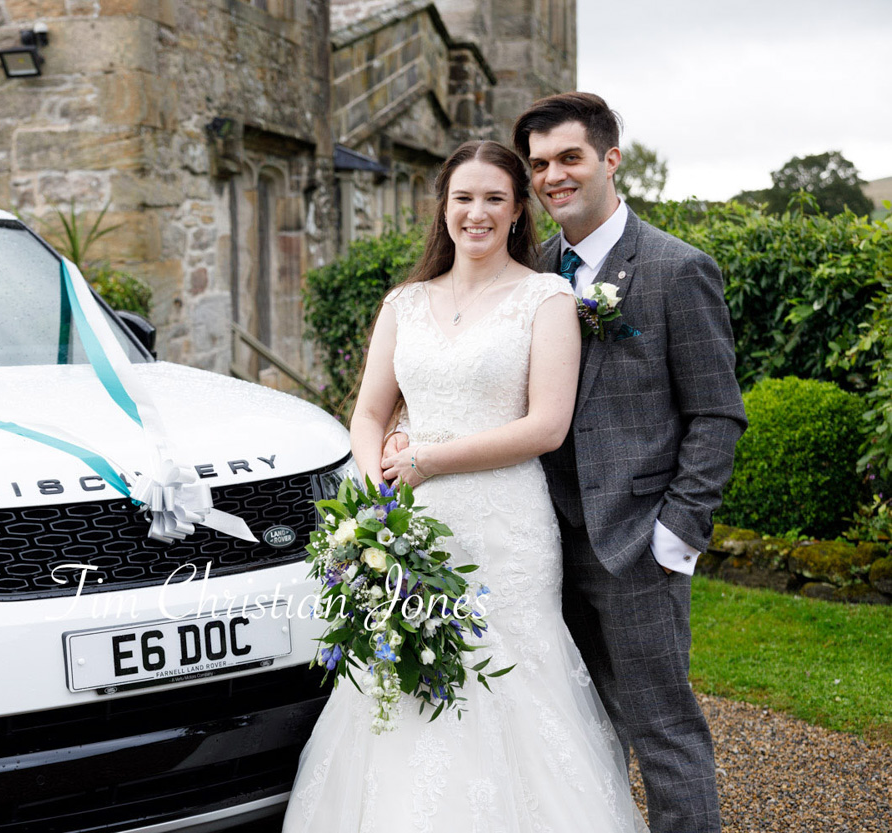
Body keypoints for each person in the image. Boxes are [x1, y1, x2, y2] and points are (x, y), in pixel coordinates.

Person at [281, 140, 648, 832]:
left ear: (516, 213)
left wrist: (430, 459)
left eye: (494, 200)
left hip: (503, 526)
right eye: (463, 198)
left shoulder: (546, 298)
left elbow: (546, 425)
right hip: (410, 523)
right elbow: (367, 412)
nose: (475, 213)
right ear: (443, 207)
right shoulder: (405, 302)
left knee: (505, 678)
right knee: (401, 683)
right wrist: (377, 492)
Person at [509, 92, 747, 833]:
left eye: (569, 157)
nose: (552, 176)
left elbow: (717, 414)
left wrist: (674, 536)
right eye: (539, 163)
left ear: (611, 159)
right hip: (544, 544)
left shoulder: (679, 270)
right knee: (577, 732)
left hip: (637, 545)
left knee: (665, 732)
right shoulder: (530, 274)